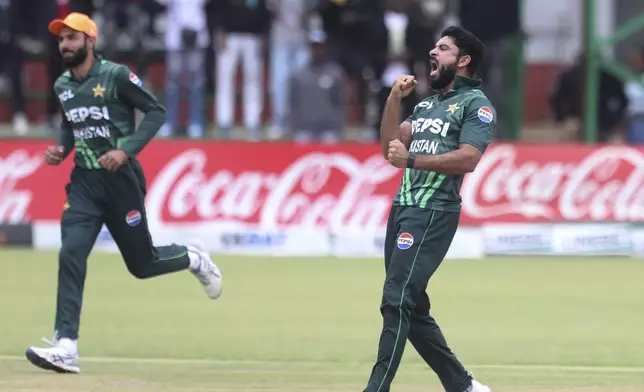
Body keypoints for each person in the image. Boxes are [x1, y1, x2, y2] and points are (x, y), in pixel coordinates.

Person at [24, 12, 223, 374]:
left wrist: (126, 149)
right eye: (61, 39)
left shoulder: (115, 76)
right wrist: (60, 149)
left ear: (90, 40)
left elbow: (156, 111)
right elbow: (72, 126)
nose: (65, 45)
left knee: (142, 265)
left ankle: (193, 259)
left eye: (72, 38)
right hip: (84, 183)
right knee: (71, 252)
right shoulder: (62, 86)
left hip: (121, 181)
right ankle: (66, 345)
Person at [365, 26, 495, 392]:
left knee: (396, 299)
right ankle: (463, 386)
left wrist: (413, 160)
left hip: (434, 211)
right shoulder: (426, 104)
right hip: (403, 208)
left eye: (443, 48)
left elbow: (469, 158)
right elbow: (391, 150)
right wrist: (393, 99)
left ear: (464, 60)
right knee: (411, 306)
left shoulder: (476, 105)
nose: (433, 52)